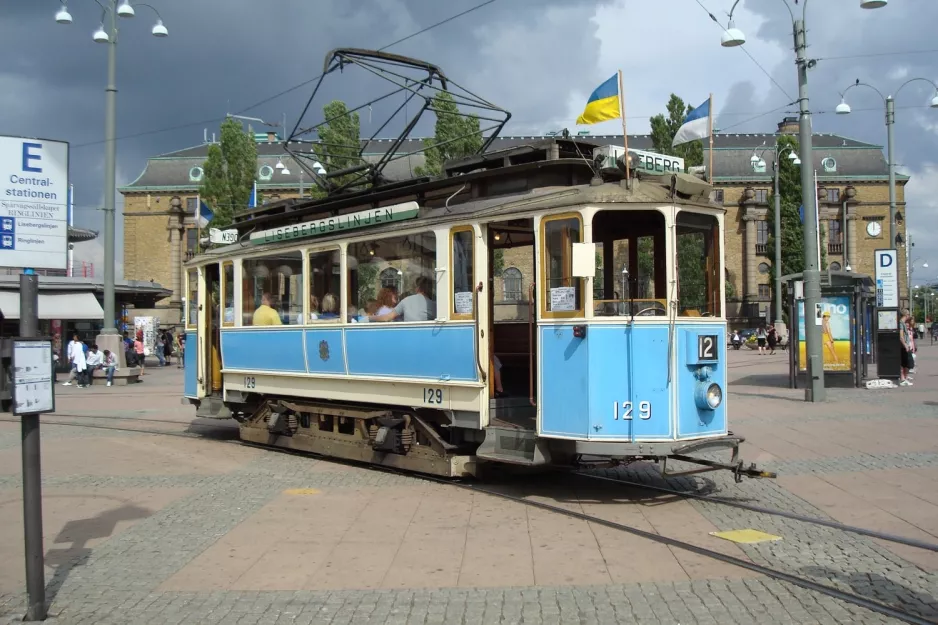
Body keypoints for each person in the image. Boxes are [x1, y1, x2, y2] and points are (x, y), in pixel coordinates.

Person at [371, 276, 436, 322]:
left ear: (417, 288)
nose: (398, 295)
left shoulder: (405, 301)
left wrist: (370, 318)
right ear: (430, 289)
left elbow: (387, 318)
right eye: (395, 293)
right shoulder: (435, 305)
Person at [899, 309, 913, 386]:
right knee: (906, 363)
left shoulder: (902, 323)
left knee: (906, 363)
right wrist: (905, 345)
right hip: (904, 347)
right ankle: (903, 379)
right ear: (906, 315)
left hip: (905, 346)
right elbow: (901, 336)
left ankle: (904, 378)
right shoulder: (901, 323)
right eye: (908, 314)